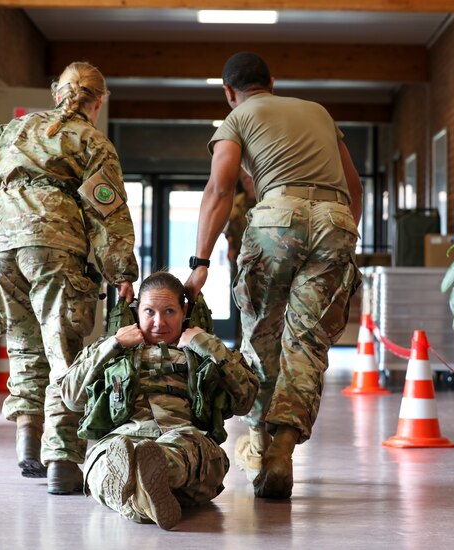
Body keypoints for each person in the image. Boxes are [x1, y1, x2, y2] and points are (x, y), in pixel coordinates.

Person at [0, 61, 138, 495]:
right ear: (98, 101)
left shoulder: (13, 130)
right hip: (52, 247)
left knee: (22, 344)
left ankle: (27, 442)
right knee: (63, 351)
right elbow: (106, 212)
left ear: (57, 93)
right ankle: (61, 460)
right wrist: (122, 272)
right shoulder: (93, 142)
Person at [184, 52, 363, 499]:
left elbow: (220, 188)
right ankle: (284, 446)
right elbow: (354, 185)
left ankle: (260, 444)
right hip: (336, 220)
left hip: (277, 216)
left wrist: (200, 262)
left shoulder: (238, 117)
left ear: (228, 92)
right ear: (272, 81)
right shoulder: (319, 112)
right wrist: (342, 233)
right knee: (307, 342)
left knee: (262, 336)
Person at [60, 272, 259, 530]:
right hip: (122, 440)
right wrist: (113, 344)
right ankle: (147, 493)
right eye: (149, 312)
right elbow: (71, 397)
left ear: (183, 310)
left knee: (180, 453)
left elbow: (246, 400)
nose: (158, 322)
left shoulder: (203, 349)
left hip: (186, 440)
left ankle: (148, 477)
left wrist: (207, 346)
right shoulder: (113, 348)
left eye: (169, 311)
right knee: (102, 466)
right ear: (136, 312)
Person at [224, 170, 256, 348]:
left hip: (262, 257)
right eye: (244, 179)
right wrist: (230, 247)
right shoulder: (238, 202)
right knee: (241, 299)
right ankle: (240, 338)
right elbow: (229, 229)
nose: (248, 182)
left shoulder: (264, 200)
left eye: (250, 178)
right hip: (240, 260)